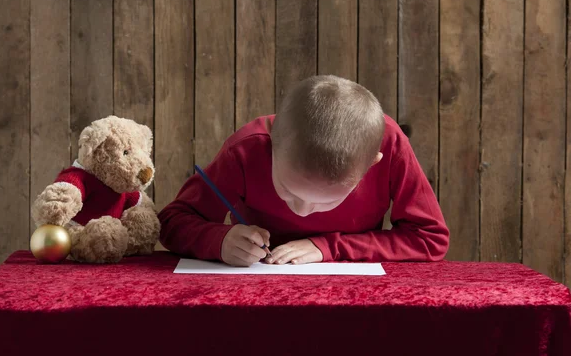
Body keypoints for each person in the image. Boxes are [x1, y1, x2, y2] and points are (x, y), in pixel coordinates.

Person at [158, 75, 449, 267]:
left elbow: (430, 239)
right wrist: (219, 241)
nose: (303, 212)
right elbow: (171, 223)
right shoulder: (246, 150)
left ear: (371, 165)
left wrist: (328, 248)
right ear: (271, 145)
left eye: (328, 201)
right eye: (287, 191)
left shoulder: (391, 145)